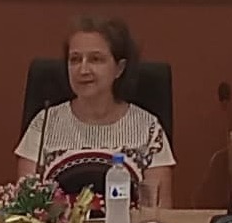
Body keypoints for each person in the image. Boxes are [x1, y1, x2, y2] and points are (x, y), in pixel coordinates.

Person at [14, 15, 173, 208]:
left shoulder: (149, 128)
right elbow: (26, 208)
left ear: (119, 69)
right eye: (75, 59)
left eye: (95, 59)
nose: (83, 69)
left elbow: (158, 212)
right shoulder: (44, 122)